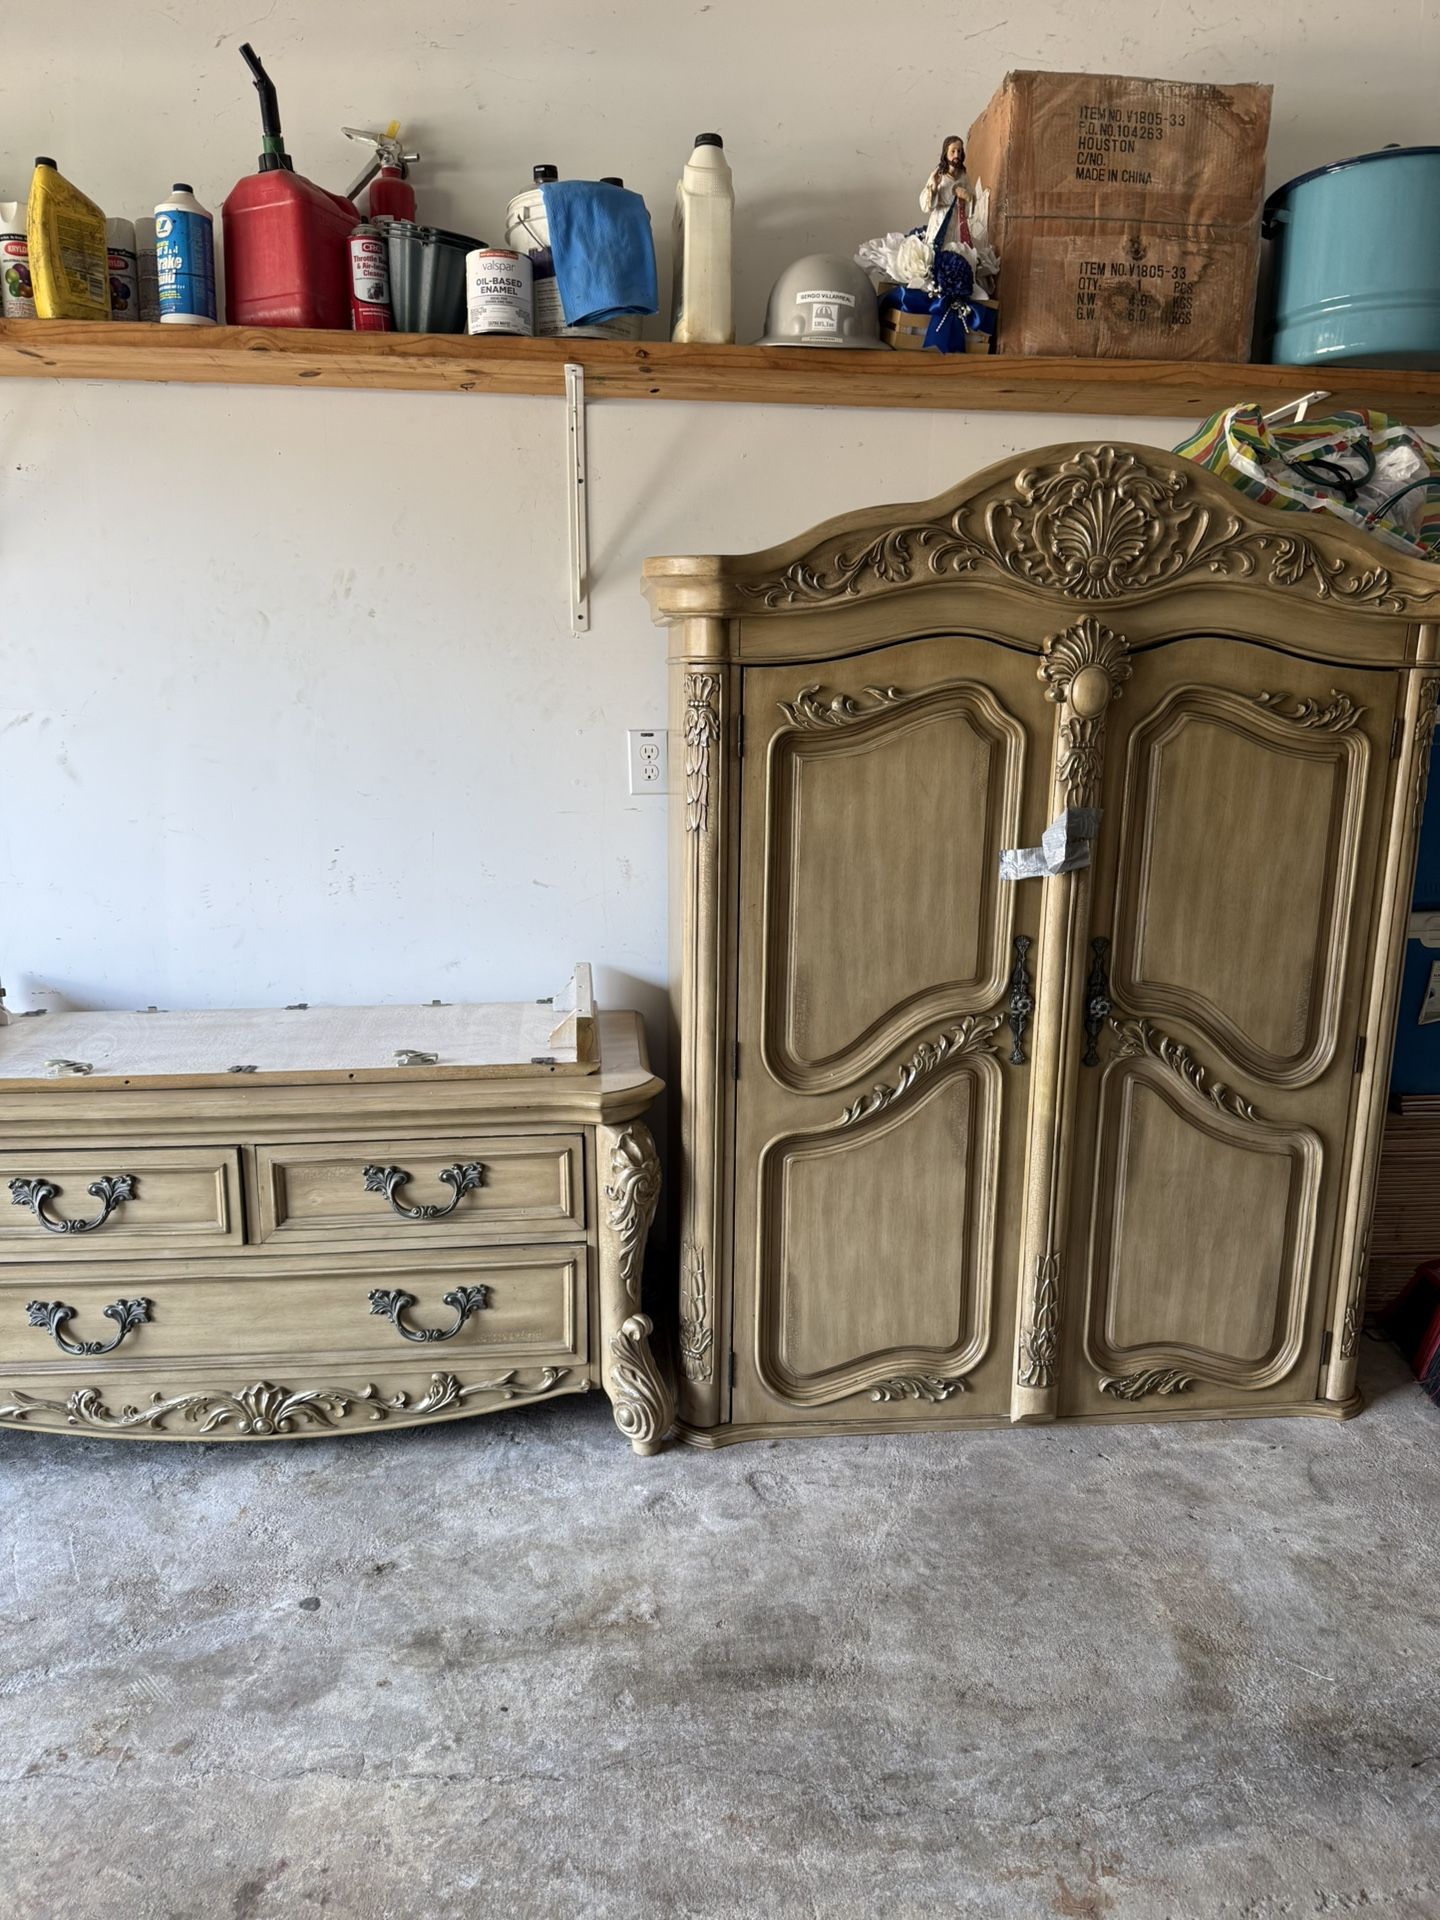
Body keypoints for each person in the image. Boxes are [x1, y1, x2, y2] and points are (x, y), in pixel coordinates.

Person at [921, 135, 973, 251]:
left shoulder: (963, 176)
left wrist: (967, 197)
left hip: (957, 221)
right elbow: (925, 205)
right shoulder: (938, 174)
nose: (956, 155)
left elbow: (972, 198)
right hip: (940, 219)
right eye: (953, 151)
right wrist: (934, 188)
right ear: (946, 153)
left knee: (957, 250)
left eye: (959, 151)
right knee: (938, 250)